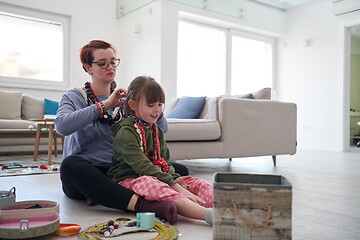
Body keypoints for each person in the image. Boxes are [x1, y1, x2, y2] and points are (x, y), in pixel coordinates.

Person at [55, 40, 188, 224]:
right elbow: (61, 126)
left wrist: (149, 105)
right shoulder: (75, 96)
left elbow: (162, 129)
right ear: (87, 67)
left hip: (119, 172)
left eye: (113, 61)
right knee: (71, 165)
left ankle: (104, 193)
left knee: (179, 169)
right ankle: (145, 205)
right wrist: (106, 105)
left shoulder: (126, 99)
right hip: (87, 170)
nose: (110, 67)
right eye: (102, 63)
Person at [107, 76, 214, 225]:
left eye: (160, 104)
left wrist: (175, 179)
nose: (157, 109)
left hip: (156, 176)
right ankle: (208, 215)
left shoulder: (157, 130)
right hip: (128, 179)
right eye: (151, 105)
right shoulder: (126, 132)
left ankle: (226, 206)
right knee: (153, 184)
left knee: (194, 182)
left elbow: (164, 161)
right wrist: (174, 186)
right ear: (133, 104)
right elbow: (142, 166)